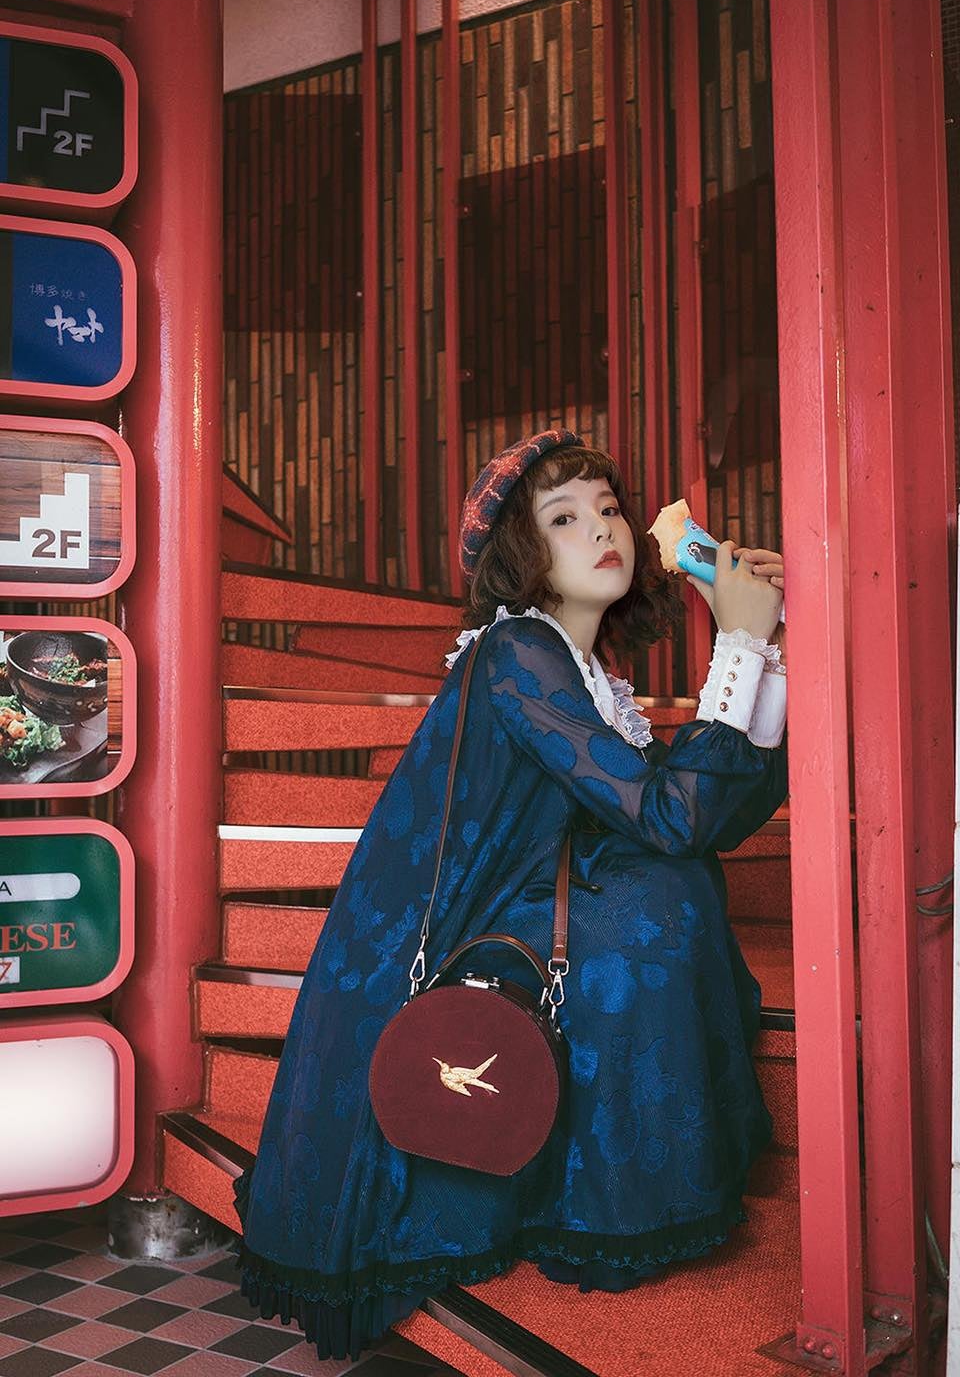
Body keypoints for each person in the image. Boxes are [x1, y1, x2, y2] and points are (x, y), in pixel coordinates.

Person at [231, 428, 788, 1361]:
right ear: (521, 557)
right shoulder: (518, 651)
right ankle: (588, 1197)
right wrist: (734, 641)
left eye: (608, 509)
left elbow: (703, 818)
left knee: (669, 894)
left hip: (519, 900)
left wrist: (761, 652)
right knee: (659, 905)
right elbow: (671, 816)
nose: (602, 529)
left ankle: (609, 1187)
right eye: (563, 518)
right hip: (463, 930)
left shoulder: (586, 671)